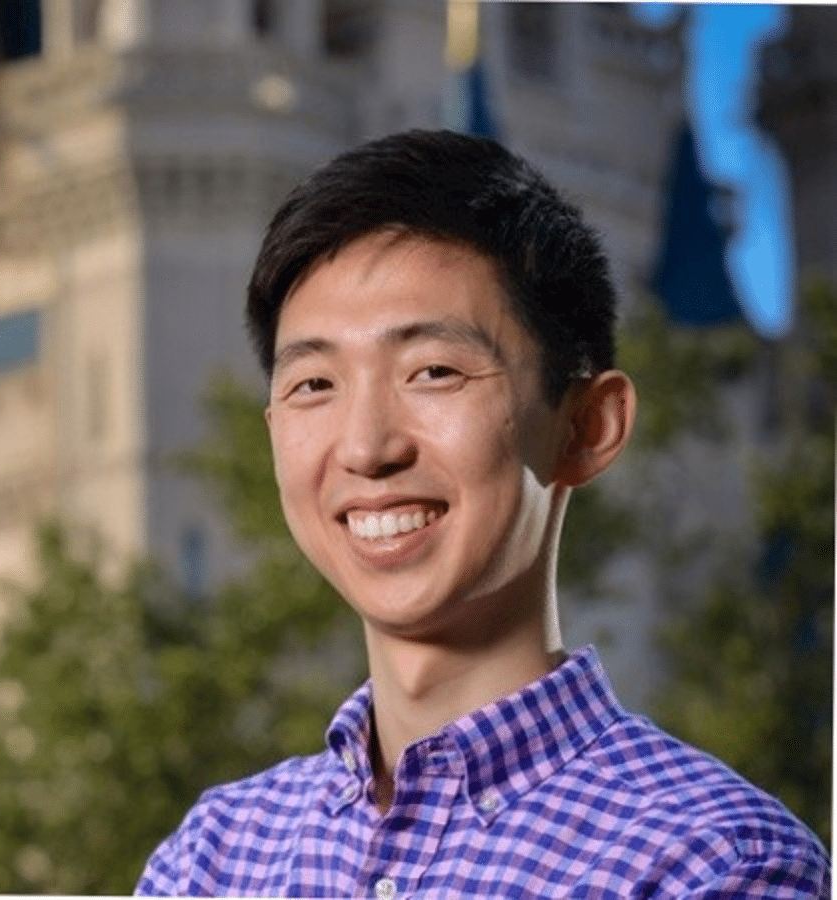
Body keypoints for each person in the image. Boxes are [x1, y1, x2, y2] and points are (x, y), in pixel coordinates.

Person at [136, 130, 829, 898]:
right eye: (314, 385)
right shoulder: (217, 857)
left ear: (588, 426)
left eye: (433, 371)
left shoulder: (709, 862)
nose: (366, 449)